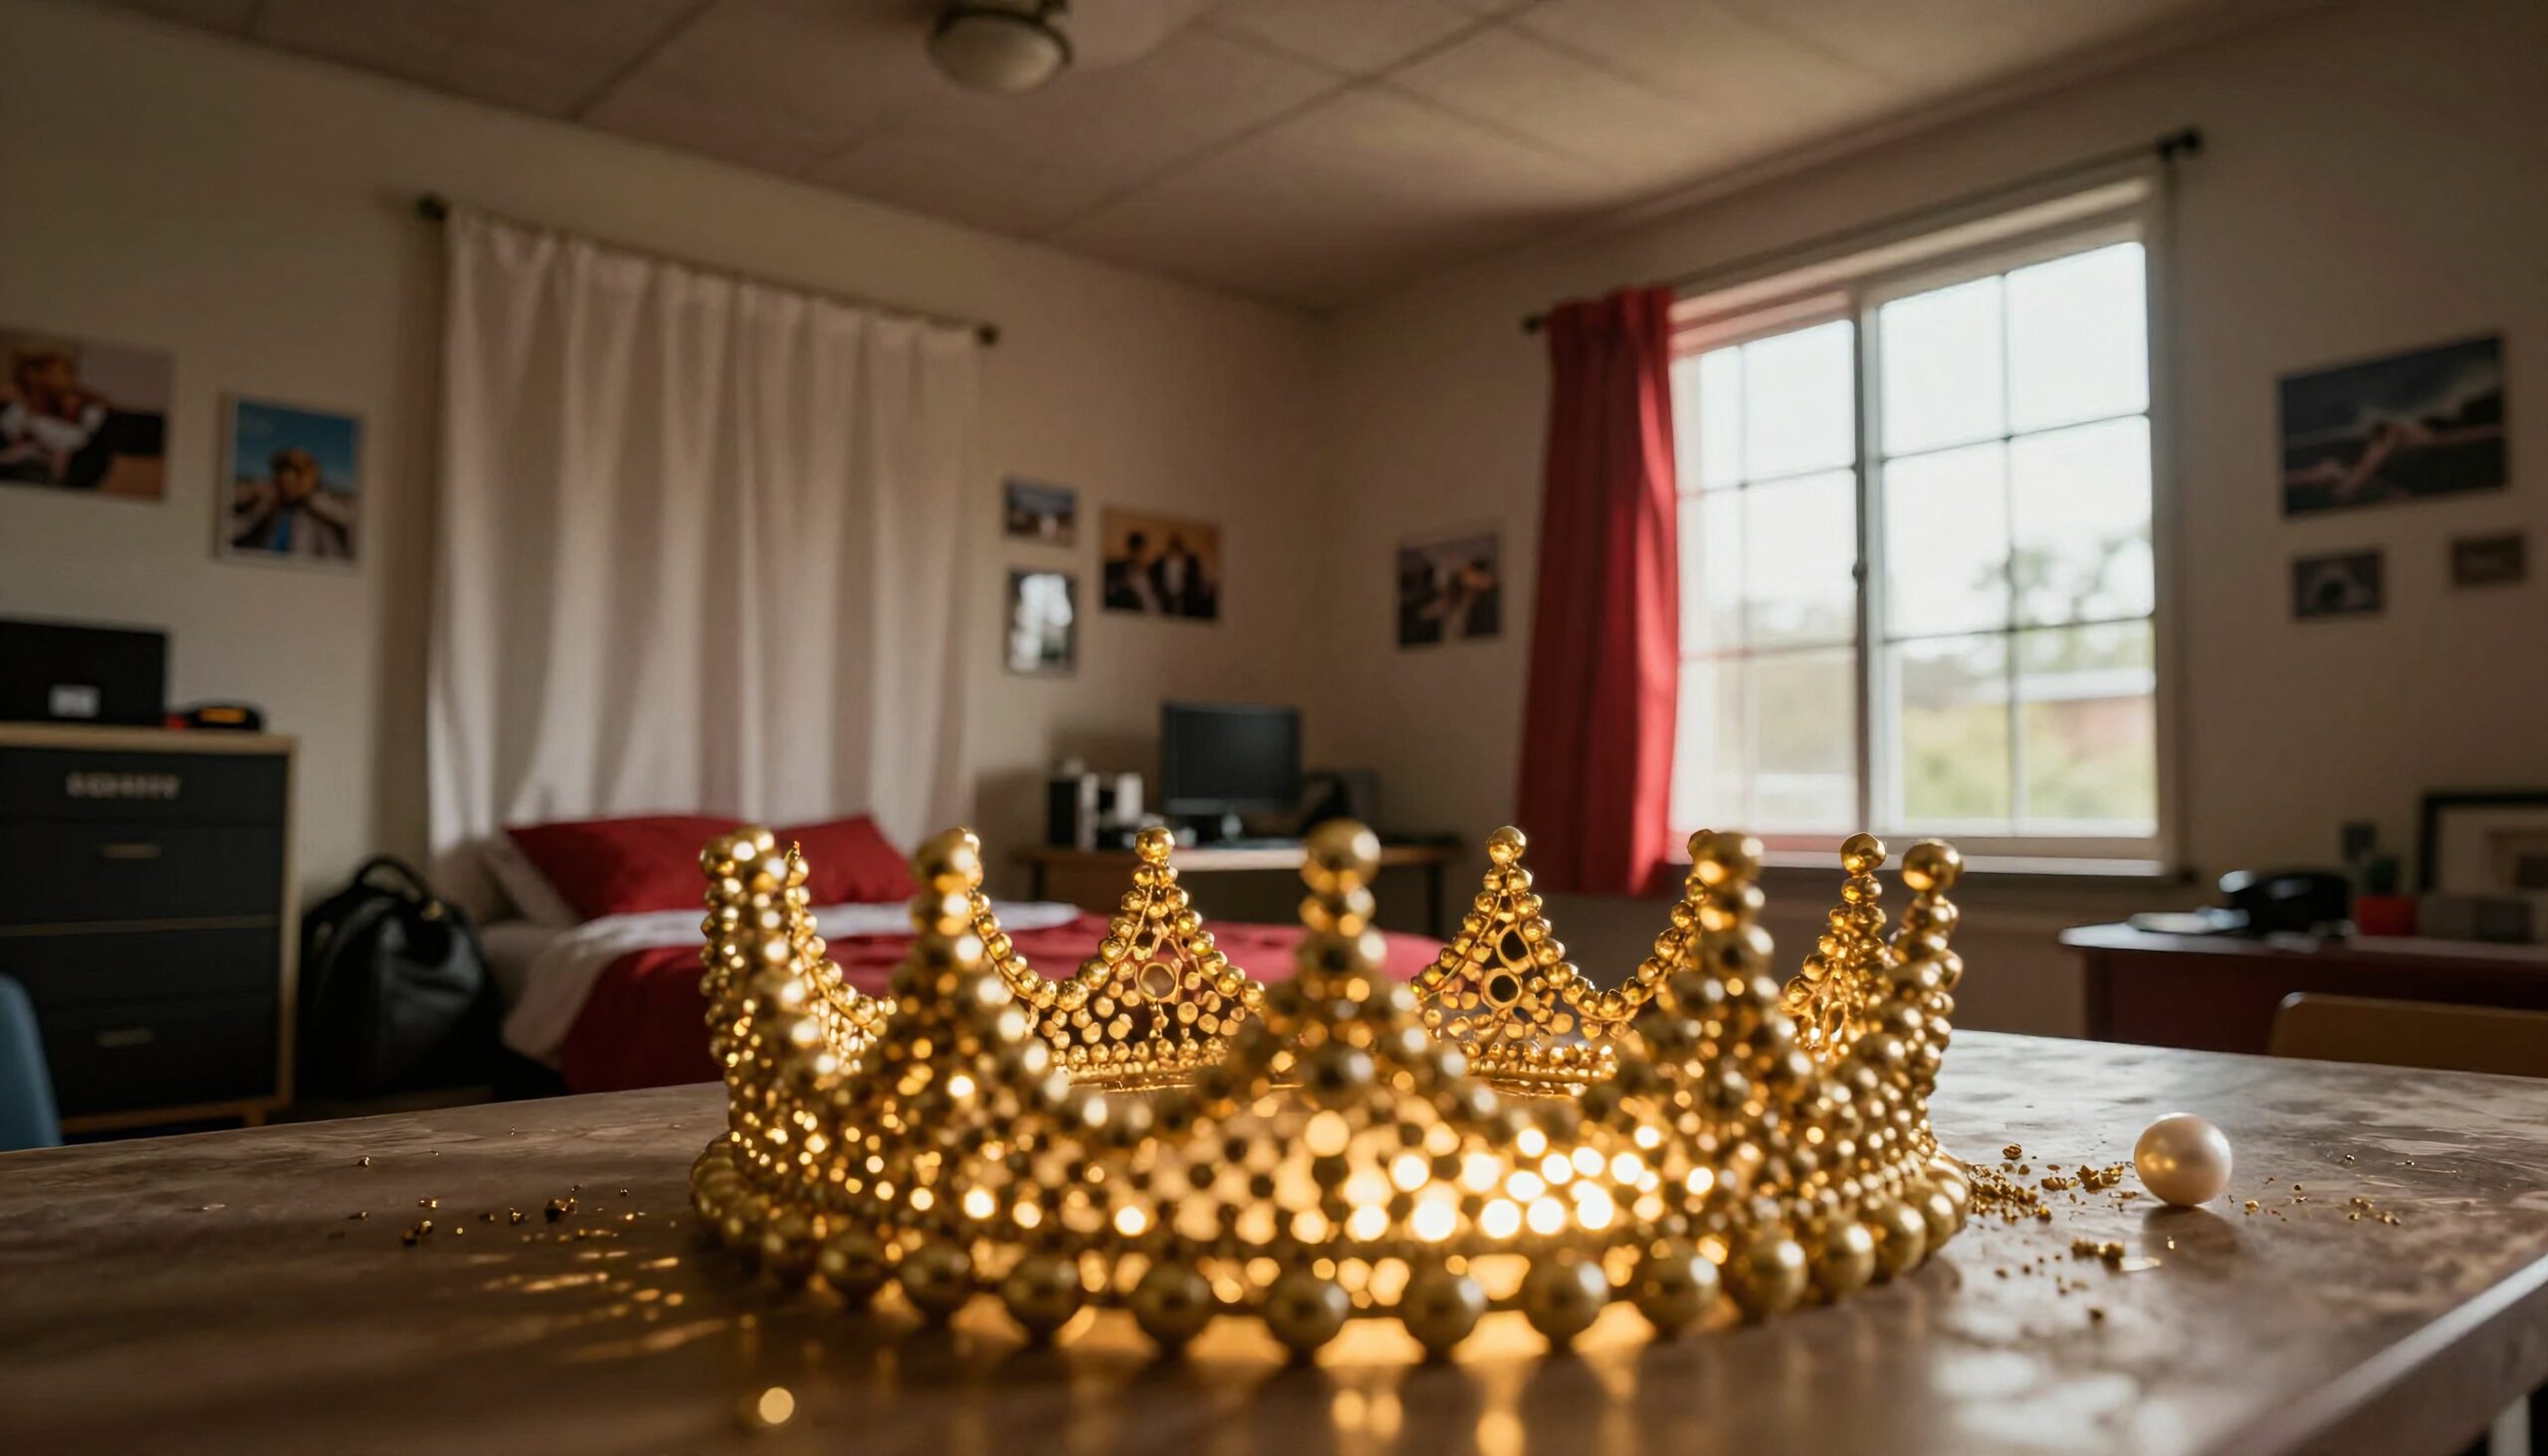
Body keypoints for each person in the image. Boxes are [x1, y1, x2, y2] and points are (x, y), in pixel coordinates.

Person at [0, 345, 108, 487]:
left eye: (68, 372)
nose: (67, 378)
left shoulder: (84, 404)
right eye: (60, 372)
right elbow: (14, 429)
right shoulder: (17, 403)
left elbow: (79, 436)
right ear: (34, 375)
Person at [229, 447, 355, 560]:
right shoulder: (267, 506)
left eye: (297, 474)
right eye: (280, 473)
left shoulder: (323, 510)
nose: (286, 481)